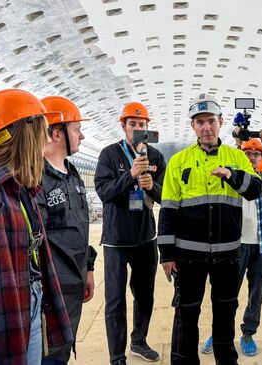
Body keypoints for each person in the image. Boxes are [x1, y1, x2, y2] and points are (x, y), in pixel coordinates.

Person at [0, 89, 73, 365]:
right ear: (24, 132)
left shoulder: (23, 184)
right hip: (2, 313)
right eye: (43, 129)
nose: (48, 138)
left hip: (30, 301)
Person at [158, 93, 262, 365]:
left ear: (221, 123)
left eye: (211, 121)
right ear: (193, 126)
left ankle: (226, 360)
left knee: (226, 313)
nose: (206, 127)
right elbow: (168, 210)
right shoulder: (179, 162)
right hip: (187, 256)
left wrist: (231, 175)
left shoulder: (235, 157)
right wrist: (166, 255)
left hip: (228, 255)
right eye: (200, 122)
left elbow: (255, 190)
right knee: (186, 314)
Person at [94, 101, 166, 364]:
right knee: (115, 300)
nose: (138, 128)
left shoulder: (156, 157)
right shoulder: (109, 155)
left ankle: (139, 341)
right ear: (123, 125)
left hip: (145, 237)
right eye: (133, 124)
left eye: (142, 125)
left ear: (148, 128)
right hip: (116, 239)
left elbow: (165, 197)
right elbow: (104, 193)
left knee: (145, 294)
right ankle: (117, 356)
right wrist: (131, 175)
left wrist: (150, 187)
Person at [201, 134, 262, 356]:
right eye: (249, 154)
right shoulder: (232, 177)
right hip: (235, 246)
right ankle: (219, 333)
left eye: (257, 155)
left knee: (256, 293)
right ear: (241, 155)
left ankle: (248, 333)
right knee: (226, 293)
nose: (254, 158)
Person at [38, 96, 98, 365]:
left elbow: (78, 227)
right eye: (76, 129)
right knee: (47, 355)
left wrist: (88, 268)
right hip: (50, 293)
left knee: (62, 351)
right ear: (55, 133)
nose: (82, 135)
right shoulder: (34, 179)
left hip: (73, 286)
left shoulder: (72, 174)